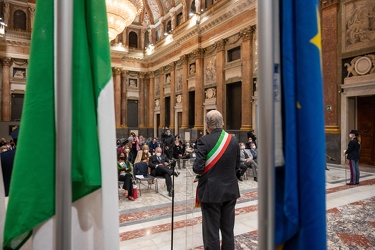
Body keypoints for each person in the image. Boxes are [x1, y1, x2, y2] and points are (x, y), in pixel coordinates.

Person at [193, 110, 240, 250]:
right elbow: (237, 167)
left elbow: (198, 168)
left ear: (207, 125)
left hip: (211, 193)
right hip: (230, 192)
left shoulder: (203, 141)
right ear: (223, 123)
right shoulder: (234, 140)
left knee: (211, 234)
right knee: (228, 232)